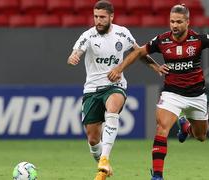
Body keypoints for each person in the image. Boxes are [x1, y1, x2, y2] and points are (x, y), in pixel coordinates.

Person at [107, 4, 209, 180]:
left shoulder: (198, 39)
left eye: (179, 22)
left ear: (187, 22)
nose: (174, 25)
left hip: (196, 95)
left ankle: (185, 126)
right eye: (172, 21)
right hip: (172, 93)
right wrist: (121, 69)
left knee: (201, 136)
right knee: (161, 128)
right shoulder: (162, 40)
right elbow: (139, 52)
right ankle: (157, 175)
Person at [67, 1, 165, 180]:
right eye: (96, 16)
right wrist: (73, 57)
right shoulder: (88, 36)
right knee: (93, 139)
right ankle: (103, 167)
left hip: (115, 86)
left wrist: (156, 67)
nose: (98, 20)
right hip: (92, 89)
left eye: (102, 17)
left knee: (112, 110)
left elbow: (139, 52)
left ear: (111, 17)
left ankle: (104, 158)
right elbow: (76, 52)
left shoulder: (123, 33)